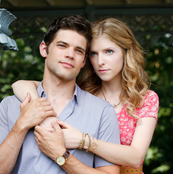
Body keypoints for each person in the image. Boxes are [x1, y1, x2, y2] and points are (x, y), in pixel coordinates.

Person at [12, 17, 159, 174]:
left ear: (125, 53)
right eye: (94, 54)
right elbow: (20, 84)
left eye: (109, 51)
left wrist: (84, 140)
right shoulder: (83, 92)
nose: (100, 61)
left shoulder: (145, 99)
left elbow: (136, 157)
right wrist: (39, 109)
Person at [0, 15, 121, 174]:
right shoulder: (9, 105)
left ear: (83, 61)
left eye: (78, 50)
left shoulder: (102, 112)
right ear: (44, 49)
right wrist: (21, 125)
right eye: (62, 45)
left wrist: (60, 154)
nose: (70, 54)